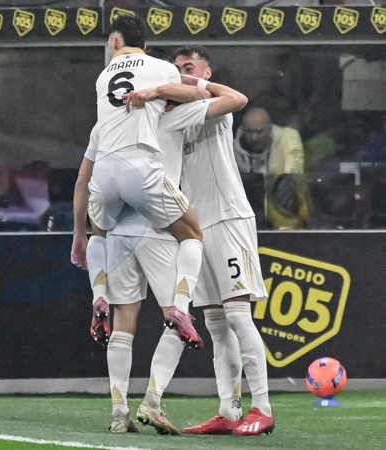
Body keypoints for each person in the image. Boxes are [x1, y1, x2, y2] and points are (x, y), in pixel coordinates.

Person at [89, 59, 249, 433]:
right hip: (159, 224)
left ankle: (118, 413)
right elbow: (236, 99)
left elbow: (84, 181)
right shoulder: (171, 115)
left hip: (118, 227)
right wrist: (185, 84)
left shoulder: (107, 122)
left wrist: (88, 233)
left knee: (123, 322)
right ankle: (152, 400)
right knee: (178, 319)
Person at [72, 14, 205, 353]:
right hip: (140, 170)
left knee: (100, 235)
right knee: (192, 233)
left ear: (114, 42)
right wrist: (161, 90)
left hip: (105, 172)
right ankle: (181, 307)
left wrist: (78, 235)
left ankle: (99, 295)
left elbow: (82, 181)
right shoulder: (161, 68)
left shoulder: (102, 78)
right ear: (145, 46)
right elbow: (195, 94)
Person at [170, 45, 273, 435]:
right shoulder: (175, 116)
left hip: (229, 219)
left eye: (190, 67)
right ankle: (229, 411)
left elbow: (238, 98)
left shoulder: (215, 105)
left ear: (206, 73)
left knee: (238, 315)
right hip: (198, 228)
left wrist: (191, 84)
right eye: (177, 68)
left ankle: (262, 408)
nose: (182, 73)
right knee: (215, 324)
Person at [233, 106, 309, 230]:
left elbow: (294, 173)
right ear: (242, 130)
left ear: (270, 128)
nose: (254, 137)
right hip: (250, 216)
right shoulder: (233, 148)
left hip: (284, 208)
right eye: (249, 132)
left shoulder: (288, 138)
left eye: (259, 132)